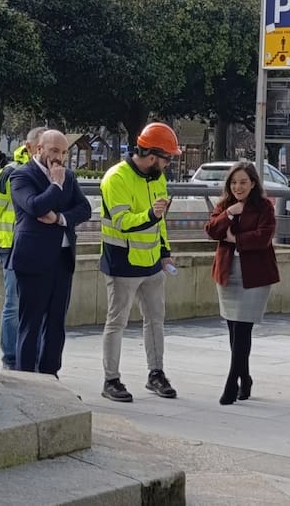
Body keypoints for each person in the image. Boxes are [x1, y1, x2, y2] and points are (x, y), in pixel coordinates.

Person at [98, 122, 180, 402]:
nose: (169, 164)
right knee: (116, 322)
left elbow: (161, 222)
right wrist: (151, 215)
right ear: (153, 156)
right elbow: (122, 222)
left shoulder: (157, 177)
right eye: (167, 158)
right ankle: (111, 380)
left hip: (152, 263)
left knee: (156, 321)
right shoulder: (116, 177)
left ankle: (156, 373)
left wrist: (165, 251)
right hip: (122, 262)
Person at [8, 129, 92, 376]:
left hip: (62, 259)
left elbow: (84, 209)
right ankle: (26, 378)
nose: (59, 157)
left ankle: (50, 376)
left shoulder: (68, 176)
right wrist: (55, 185)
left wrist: (60, 218)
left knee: (56, 323)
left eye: (63, 152)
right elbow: (35, 206)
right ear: (38, 149)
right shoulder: (22, 175)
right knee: (31, 323)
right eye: (54, 150)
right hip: (33, 260)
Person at [203, 162, 280, 405]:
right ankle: (244, 378)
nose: (238, 187)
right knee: (233, 329)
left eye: (243, 182)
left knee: (243, 329)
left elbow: (263, 237)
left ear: (253, 183)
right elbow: (211, 231)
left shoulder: (264, 207)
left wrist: (235, 238)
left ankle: (231, 383)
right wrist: (229, 214)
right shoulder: (225, 205)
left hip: (254, 275)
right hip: (228, 272)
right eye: (234, 182)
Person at [0, 126, 46, 370]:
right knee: (13, 303)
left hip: (37, 247)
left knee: (35, 304)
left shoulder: (50, 172)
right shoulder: (9, 173)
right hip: (12, 247)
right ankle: (11, 358)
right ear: (29, 147)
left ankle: (32, 357)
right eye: (40, 146)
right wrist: (5, 239)